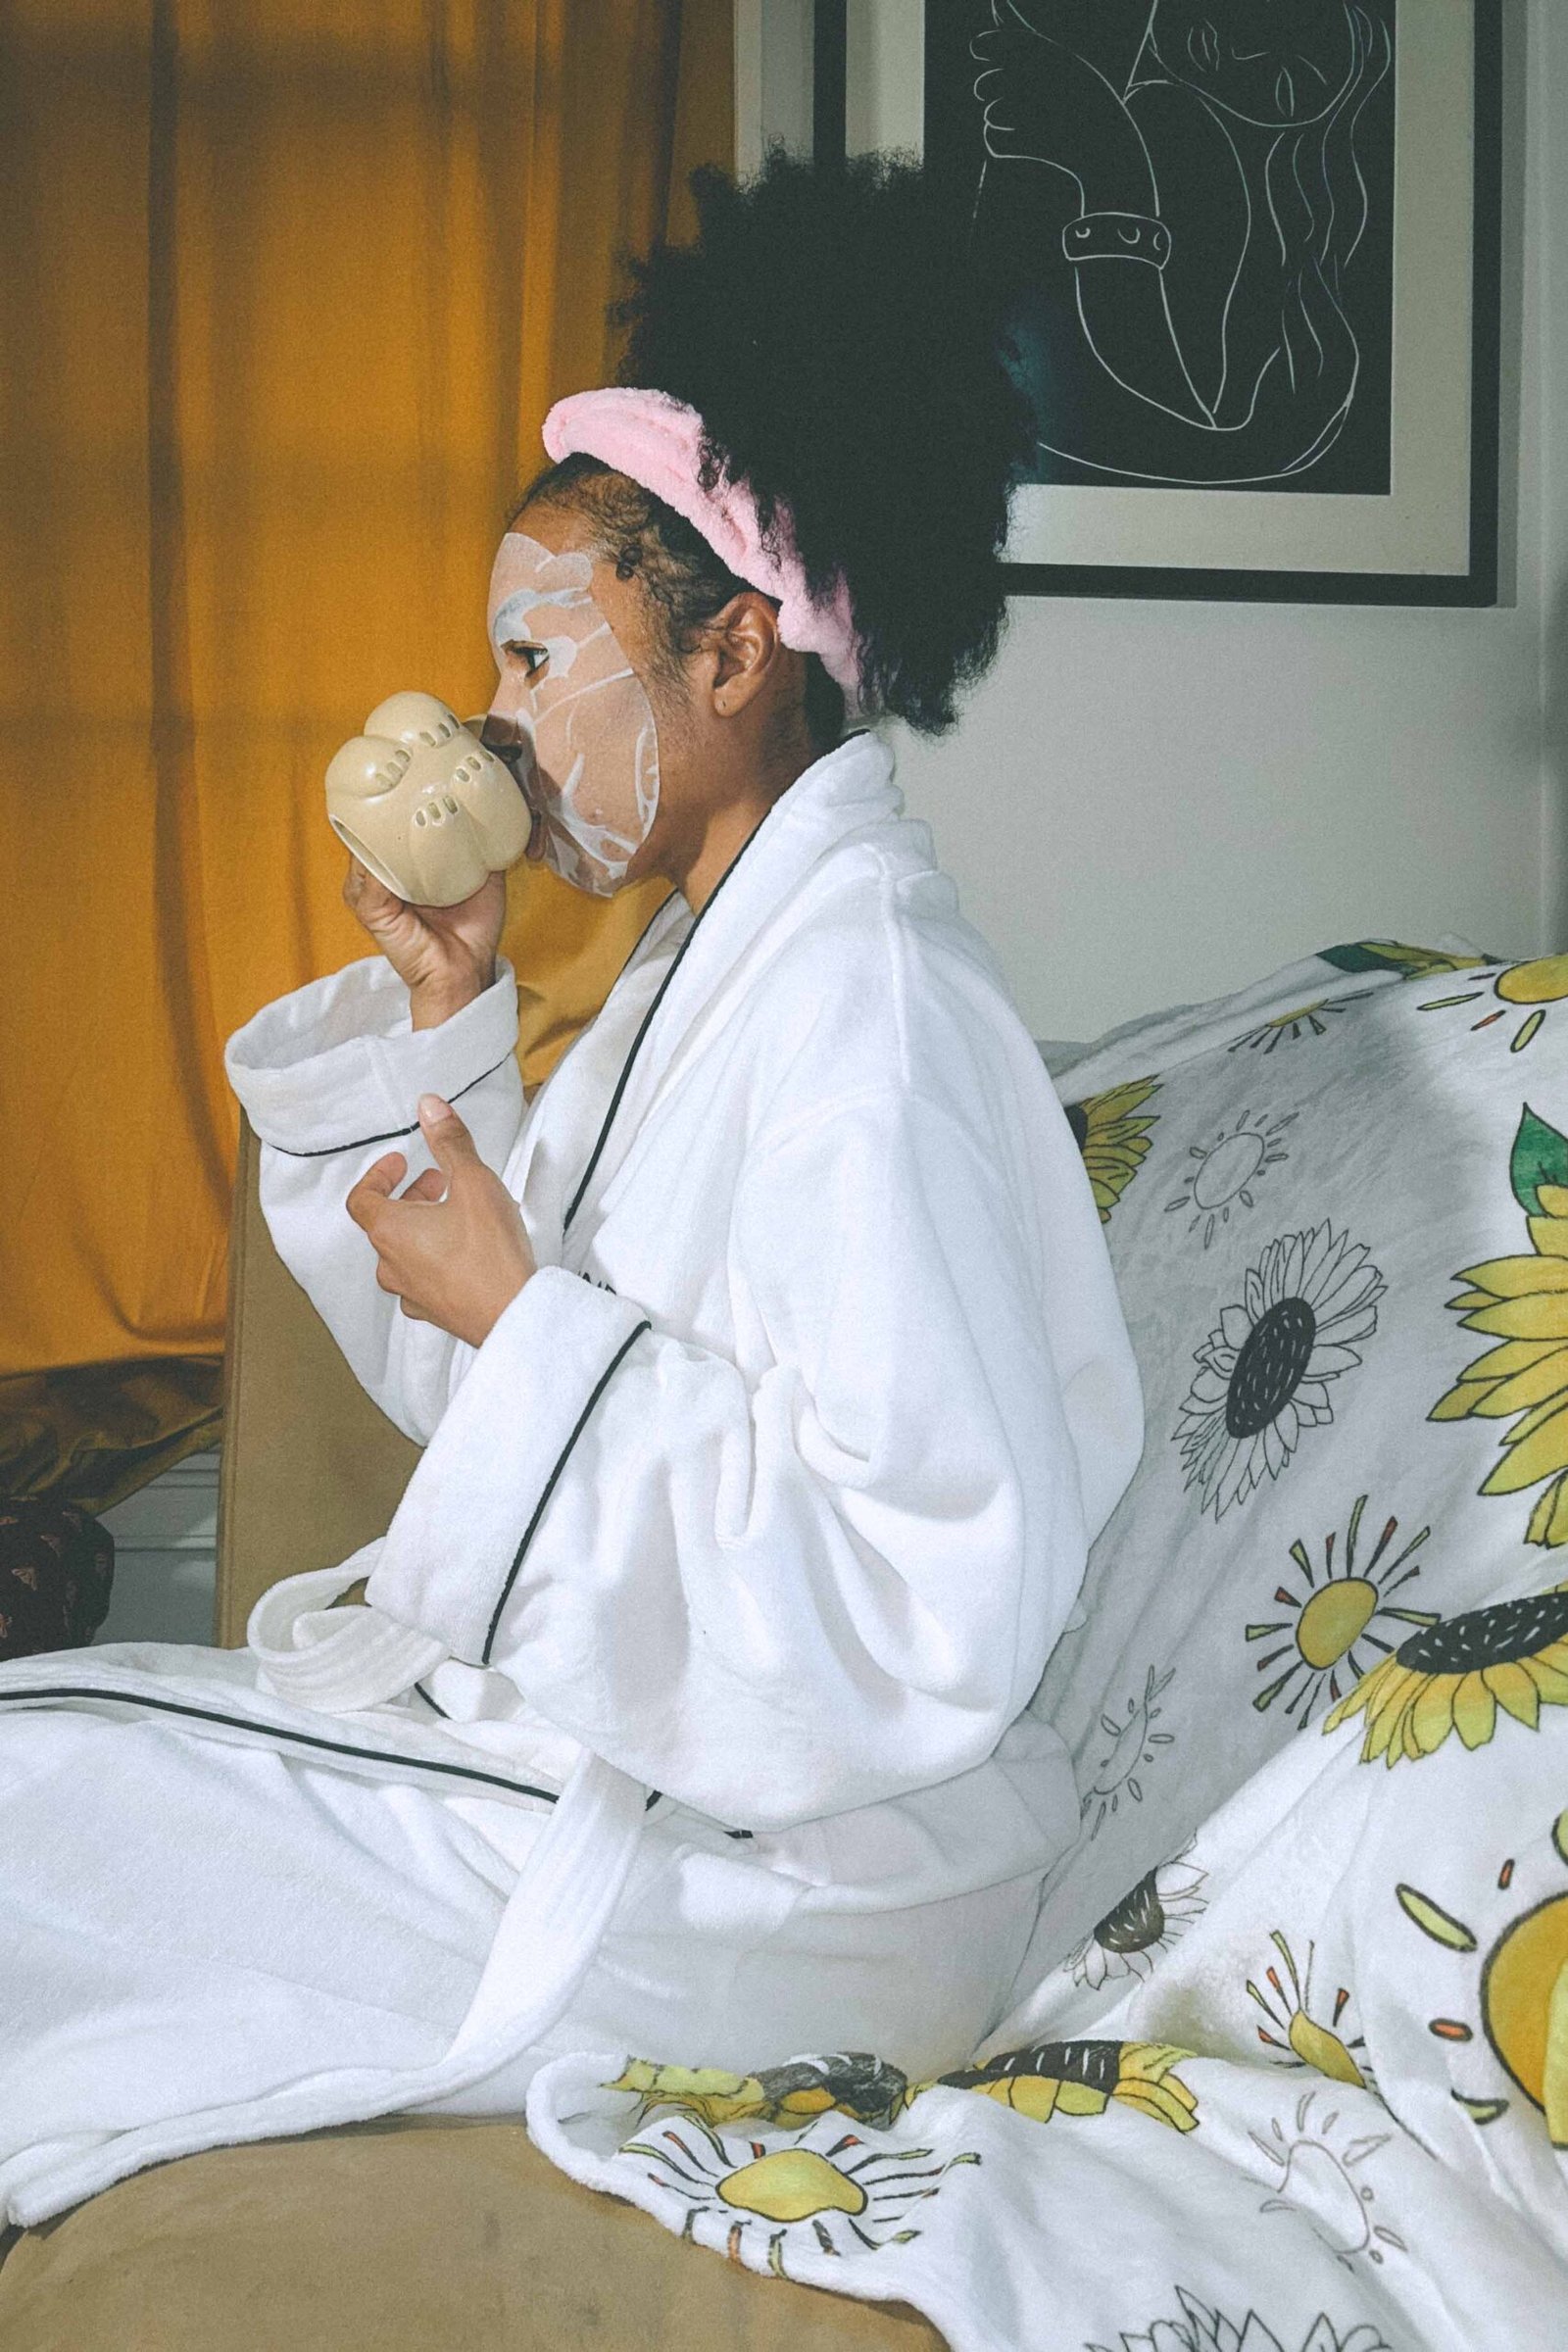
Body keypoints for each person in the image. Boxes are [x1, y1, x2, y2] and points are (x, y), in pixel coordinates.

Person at [0, 149, 1143, 2230]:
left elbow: (916, 1594)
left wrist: (525, 1328)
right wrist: (447, 1031)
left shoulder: (868, 1009)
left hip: (788, 1877)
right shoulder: (707, 967)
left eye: (537, 662)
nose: (494, 726)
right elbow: (502, 1396)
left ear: (732, 661)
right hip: (665, 1784)